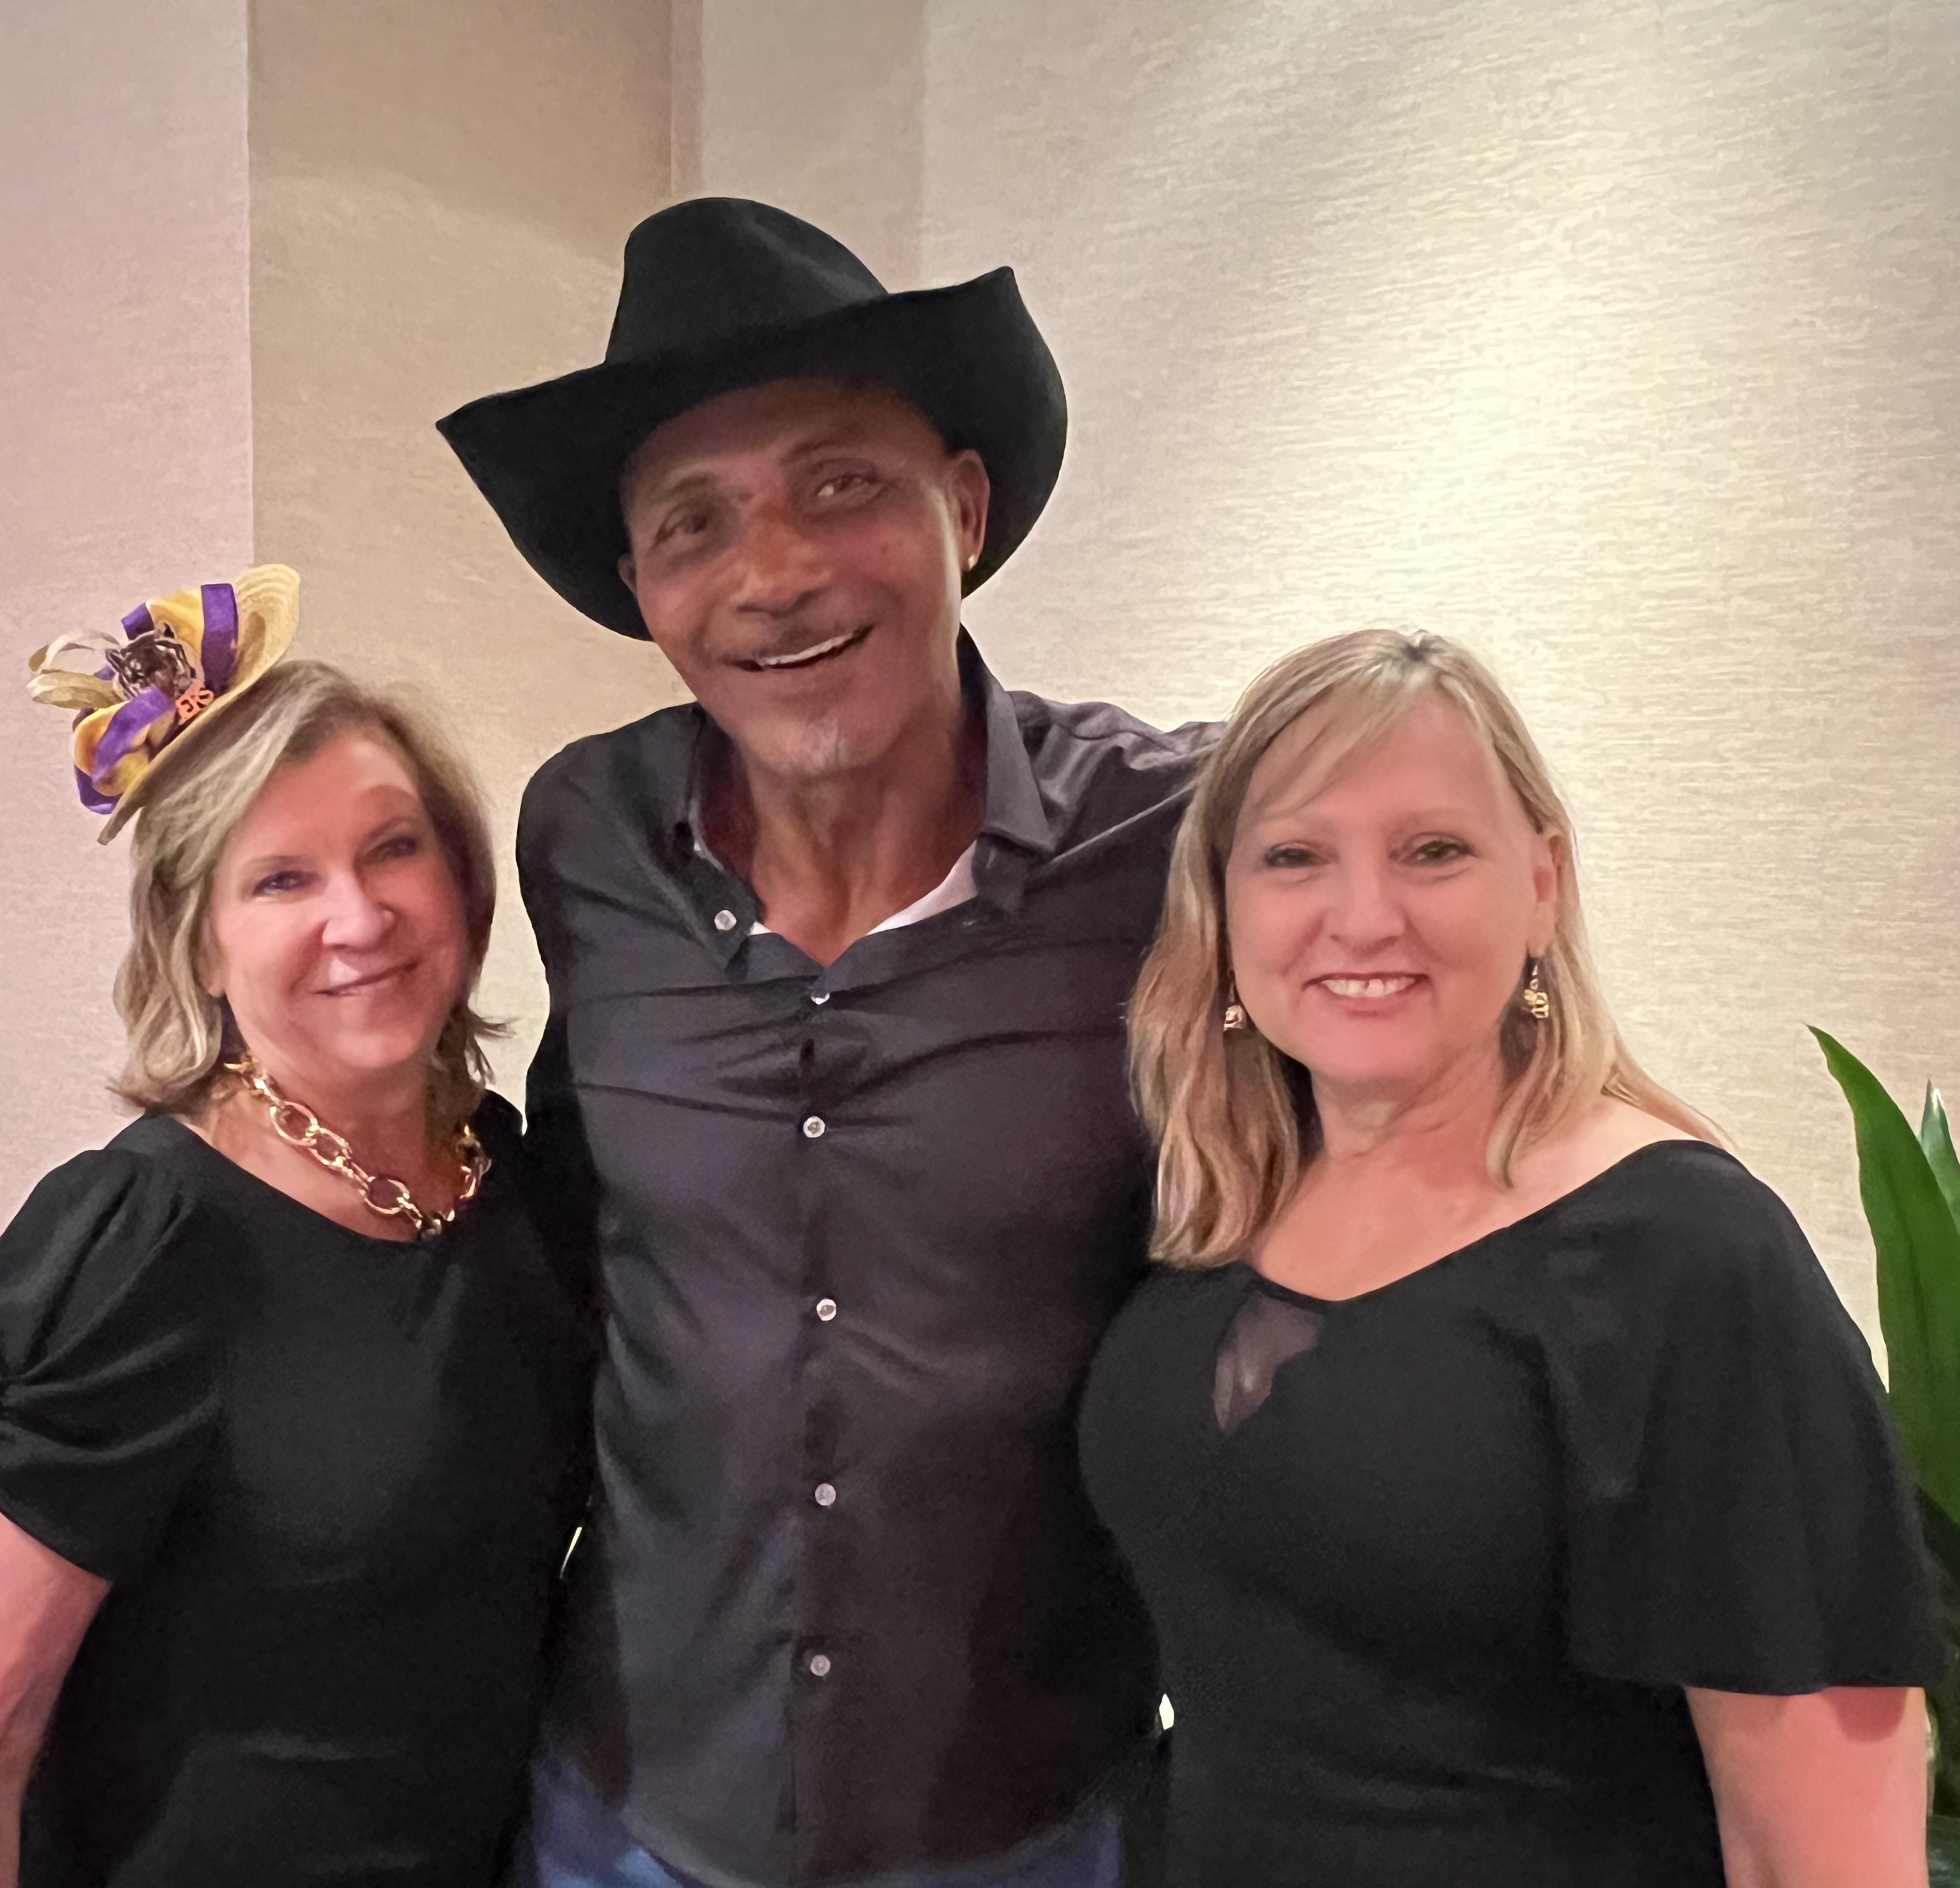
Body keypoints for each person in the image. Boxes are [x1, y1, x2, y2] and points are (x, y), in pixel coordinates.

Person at [436, 200, 1210, 1888]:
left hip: (1028, 1825)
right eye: (694, 523)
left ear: (966, 508)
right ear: (642, 589)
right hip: (627, 1815)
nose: (773, 573)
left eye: (842, 484)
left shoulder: (1173, 846)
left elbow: (1427, 981)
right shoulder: (589, 840)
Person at [1079, 628, 1938, 1887]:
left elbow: (1829, 1848)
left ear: (1541, 885)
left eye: (1433, 851)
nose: (1363, 917)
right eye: (1294, 856)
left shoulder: (1683, 1257)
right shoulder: (1212, 1204)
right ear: (1223, 906)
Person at [0, 567, 591, 1888]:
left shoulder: (507, 1174)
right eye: (280, 880)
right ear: (198, 944)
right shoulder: (147, 1243)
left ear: (463, 878)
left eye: (393, 848)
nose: (358, 919)